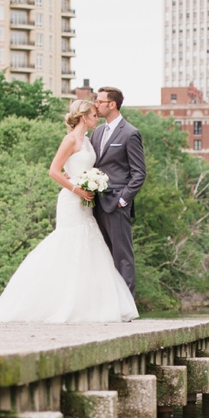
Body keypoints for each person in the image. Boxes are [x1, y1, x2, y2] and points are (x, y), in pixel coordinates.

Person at [0, 98, 138, 324]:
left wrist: (93, 183)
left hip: (87, 199)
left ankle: (88, 306)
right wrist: (77, 188)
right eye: (94, 115)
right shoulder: (70, 140)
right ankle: (55, 303)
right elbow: (54, 171)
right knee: (69, 243)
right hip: (71, 199)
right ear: (84, 116)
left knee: (91, 247)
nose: (97, 118)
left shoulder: (88, 140)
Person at [91, 87, 146, 296]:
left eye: (99, 101)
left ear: (111, 104)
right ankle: (106, 302)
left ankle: (126, 307)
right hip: (95, 204)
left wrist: (123, 200)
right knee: (102, 256)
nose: (96, 104)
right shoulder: (96, 132)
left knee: (122, 257)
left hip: (117, 204)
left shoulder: (130, 133)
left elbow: (139, 173)